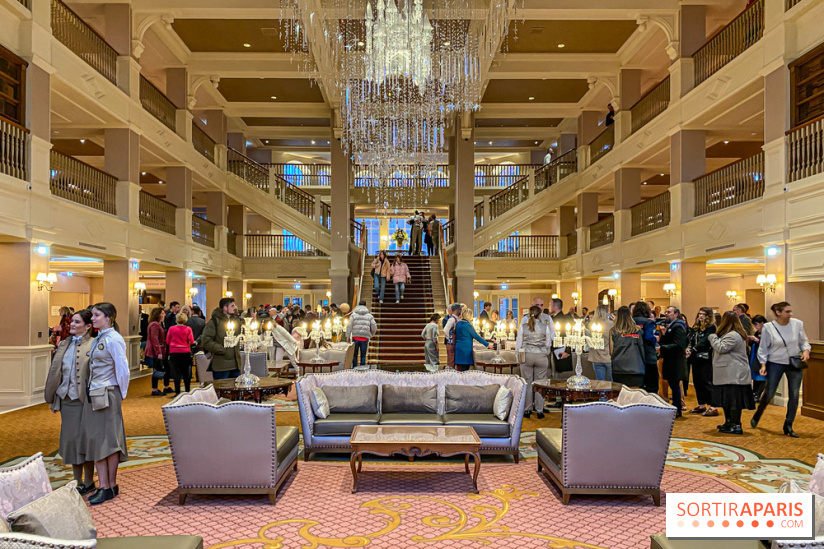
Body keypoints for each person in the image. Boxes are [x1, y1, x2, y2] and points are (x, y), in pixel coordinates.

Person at [44, 309, 95, 495]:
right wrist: (54, 399)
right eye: (72, 321)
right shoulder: (65, 344)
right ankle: (76, 481)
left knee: (86, 440)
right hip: (67, 400)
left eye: (77, 322)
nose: (72, 324)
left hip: (86, 401)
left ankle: (89, 481)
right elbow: (57, 373)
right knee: (72, 441)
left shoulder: (94, 344)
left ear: (88, 326)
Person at [83, 303, 130, 505]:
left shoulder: (113, 339)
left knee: (107, 441)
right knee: (100, 440)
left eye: (96, 315)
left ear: (108, 317)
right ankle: (108, 485)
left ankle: (106, 486)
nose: (92, 319)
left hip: (107, 393)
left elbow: (123, 369)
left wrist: (120, 394)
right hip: (96, 392)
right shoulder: (99, 338)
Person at [751, 301, 811, 437]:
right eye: (787, 311)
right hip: (775, 363)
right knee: (770, 393)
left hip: (794, 363)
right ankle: (758, 412)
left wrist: (806, 350)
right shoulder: (768, 327)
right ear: (778, 313)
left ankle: (788, 424)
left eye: (790, 311)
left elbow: (803, 341)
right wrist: (763, 364)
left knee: (794, 395)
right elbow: (763, 347)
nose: (790, 314)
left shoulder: (797, 324)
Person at [709, 311, 755, 435]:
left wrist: (712, 337)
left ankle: (736, 424)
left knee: (734, 401)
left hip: (734, 373)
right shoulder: (732, 334)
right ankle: (728, 422)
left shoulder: (734, 335)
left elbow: (721, 347)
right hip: (728, 373)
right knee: (727, 400)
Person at [515, 306, 553, 418]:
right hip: (541, 356)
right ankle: (539, 410)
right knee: (540, 384)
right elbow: (548, 343)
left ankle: (527, 409)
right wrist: (544, 352)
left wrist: (518, 357)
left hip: (527, 356)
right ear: (540, 314)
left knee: (527, 383)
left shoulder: (523, 327)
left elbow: (519, 344)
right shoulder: (545, 326)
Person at [200, 297, 242, 380]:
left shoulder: (236, 320)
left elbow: (240, 336)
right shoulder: (215, 321)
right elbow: (206, 340)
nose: (235, 308)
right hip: (221, 364)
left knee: (235, 390)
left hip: (235, 364)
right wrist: (221, 349)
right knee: (221, 389)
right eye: (232, 306)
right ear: (225, 308)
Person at [686, 307, 717, 417]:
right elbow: (690, 340)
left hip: (705, 358)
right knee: (697, 381)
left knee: (706, 382)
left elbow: (705, 342)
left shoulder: (711, 328)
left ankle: (713, 406)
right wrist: (688, 348)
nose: (701, 316)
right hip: (695, 358)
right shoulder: (695, 328)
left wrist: (693, 349)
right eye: (699, 314)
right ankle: (701, 405)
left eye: (703, 314)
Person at [659, 306, 688, 417]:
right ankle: (676, 408)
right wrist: (664, 333)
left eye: (669, 312)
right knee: (673, 384)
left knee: (675, 386)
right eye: (666, 312)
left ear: (676, 314)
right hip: (670, 360)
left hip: (675, 361)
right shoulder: (671, 326)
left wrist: (662, 348)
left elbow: (679, 345)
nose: (666, 314)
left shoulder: (678, 326)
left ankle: (677, 409)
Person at [609, 306, 646, 387]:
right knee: (634, 395)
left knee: (619, 394)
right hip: (637, 367)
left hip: (619, 367)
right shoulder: (639, 331)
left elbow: (611, 351)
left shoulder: (613, 331)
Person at [631, 301, 659, 394]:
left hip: (635, 355)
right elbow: (648, 337)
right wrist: (655, 340)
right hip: (648, 355)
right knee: (652, 385)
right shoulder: (648, 322)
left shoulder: (631, 321)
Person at [166, 312, 195, 395]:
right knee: (186, 372)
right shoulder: (188, 329)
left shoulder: (171, 329)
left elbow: (167, 341)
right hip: (185, 352)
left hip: (174, 352)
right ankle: (187, 391)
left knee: (176, 373)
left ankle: (177, 391)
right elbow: (191, 341)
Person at [145, 307, 172, 396]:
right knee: (157, 370)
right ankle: (154, 389)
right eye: (162, 313)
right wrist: (158, 352)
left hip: (160, 349)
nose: (164, 315)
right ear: (157, 315)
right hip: (155, 351)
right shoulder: (154, 325)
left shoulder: (159, 324)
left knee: (163, 368)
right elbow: (154, 339)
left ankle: (165, 387)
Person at [346, 300, 377, 368]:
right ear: (365, 306)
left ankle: (355, 368)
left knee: (355, 355)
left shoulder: (353, 315)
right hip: (365, 338)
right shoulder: (369, 316)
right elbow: (374, 326)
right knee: (363, 355)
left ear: (358, 305)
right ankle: (362, 370)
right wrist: (372, 334)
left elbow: (349, 326)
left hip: (355, 337)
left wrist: (348, 336)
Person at [588, 305, 614, 381]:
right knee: (612, 381)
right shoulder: (611, 324)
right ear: (606, 312)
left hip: (596, 356)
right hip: (608, 355)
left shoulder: (591, 324)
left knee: (600, 381)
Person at [549, 298, 573, 374]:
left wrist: (567, 351)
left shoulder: (565, 319)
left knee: (561, 378)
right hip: (553, 350)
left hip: (562, 351)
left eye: (550, 305)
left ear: (555, 306)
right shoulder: (551, 318)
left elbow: (570, 336)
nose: (549, 307)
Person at [749, 314, 768, 401]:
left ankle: (757, 394)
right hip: (755, 355)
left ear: (762, 323)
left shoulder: (767, 332)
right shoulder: (757, 332)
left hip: (762, 356)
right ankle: (754, 393)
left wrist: (756, 340)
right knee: (755, 375)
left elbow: (766, 345)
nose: (755, 326)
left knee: (761, 376)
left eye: (756, 324)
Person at [443, 303, 463, 370]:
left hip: (454, 343)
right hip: (451, 343)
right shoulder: (452, 319)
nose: (461, 310)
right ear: (456, 310)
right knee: (451, 363)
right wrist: (450, 340)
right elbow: (445, 330)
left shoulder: (456, 319)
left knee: (453, 362)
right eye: (460, 309)